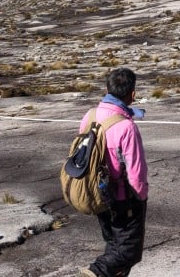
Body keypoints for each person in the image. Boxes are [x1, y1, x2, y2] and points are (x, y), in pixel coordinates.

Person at [78, 67, 149, 277]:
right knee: (128, 251)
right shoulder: (126, 127)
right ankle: (95, 272)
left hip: (97, 194)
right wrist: (141, 196)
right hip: (123, 198)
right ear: (133, 94)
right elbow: (136, 172)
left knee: (113, 244)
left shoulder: (90, 115)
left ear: (106, 88)